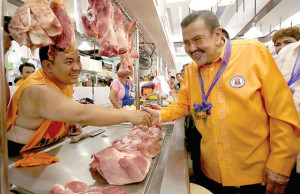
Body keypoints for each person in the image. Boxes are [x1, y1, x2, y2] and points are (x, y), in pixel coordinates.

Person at [142, 10, 300, 194]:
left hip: (258, 175)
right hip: (212, 173)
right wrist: (160, 114)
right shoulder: (193, 70)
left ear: (217, 35)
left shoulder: (253, 52)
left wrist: (280, 163)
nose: (192, 48)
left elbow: (282, 112)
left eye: (198, 40)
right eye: (186, 43)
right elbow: (183, 104)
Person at [7, 46, 152, 157]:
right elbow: (83, 114)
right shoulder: (38, 89)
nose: (77, 67)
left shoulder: (62, 80)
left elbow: (60, 111)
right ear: (48, 66)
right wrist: (128, 115)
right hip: (21, 156)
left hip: (47, 149)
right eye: (69, 62)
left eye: (78, 61)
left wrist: (67, 124)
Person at [275, 40, 300, 193]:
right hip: (289, 146)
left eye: (286, 41)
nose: (281, 46)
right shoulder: (288, 52)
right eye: (278, 43)